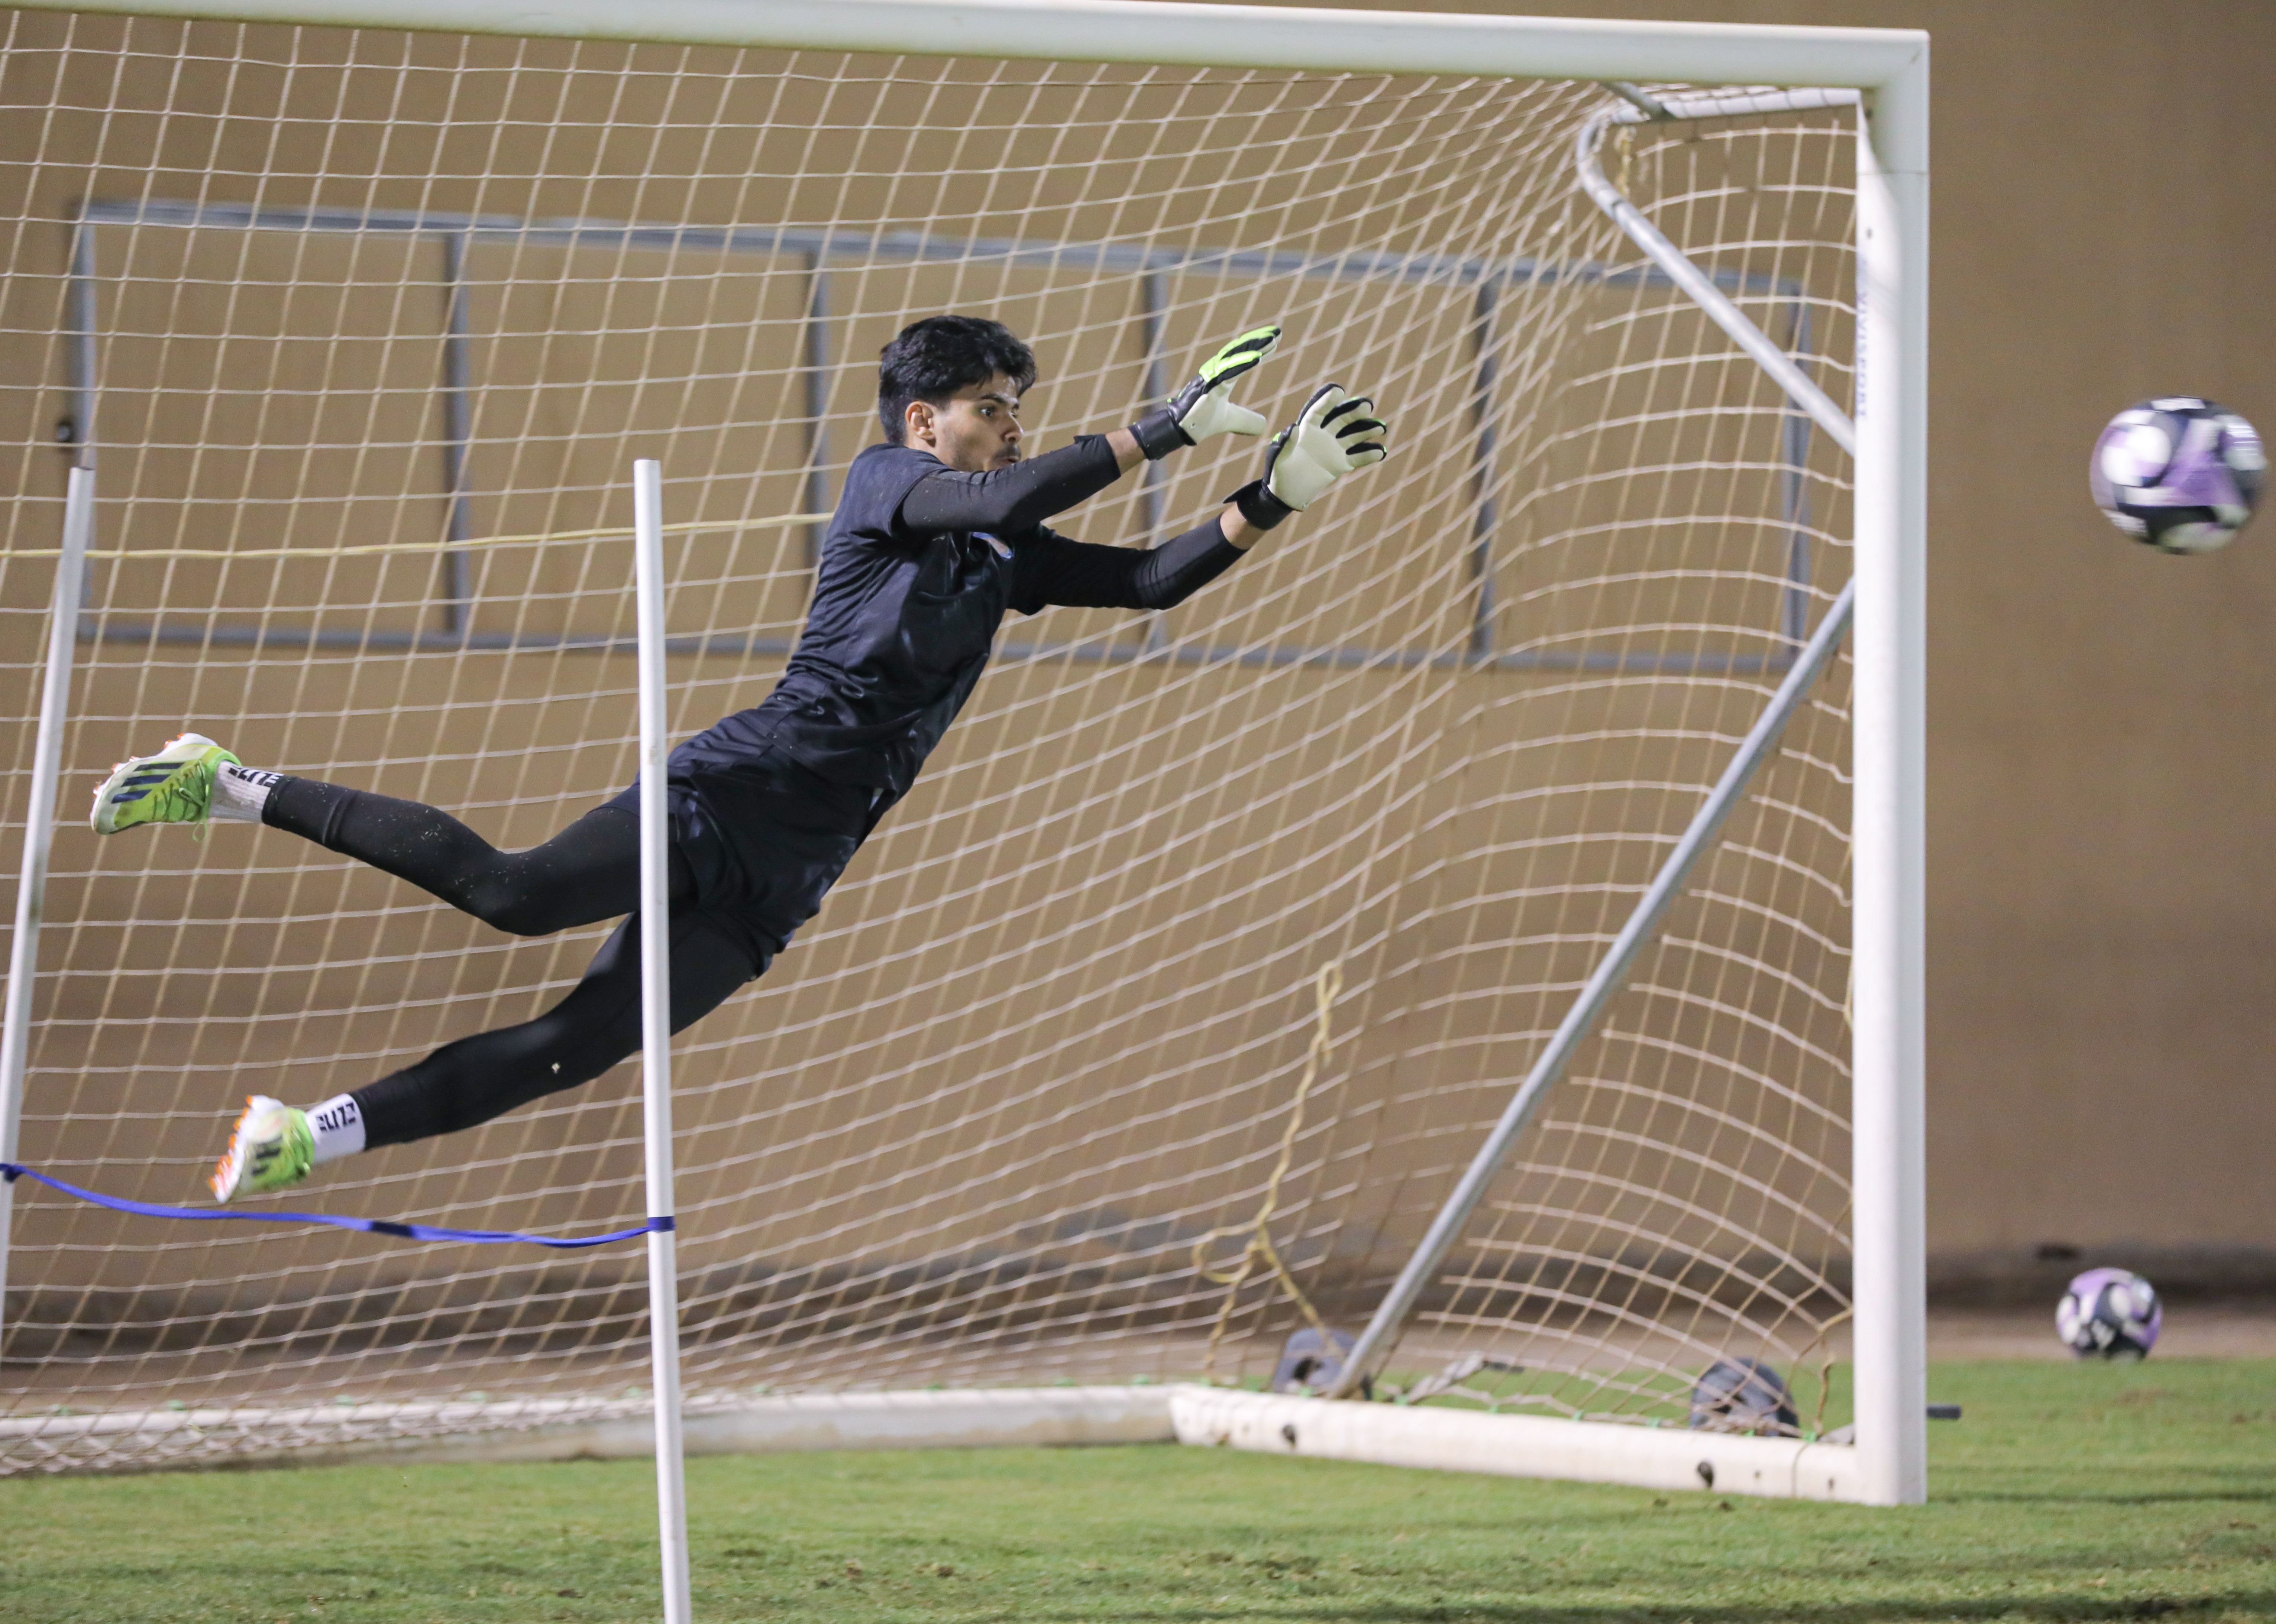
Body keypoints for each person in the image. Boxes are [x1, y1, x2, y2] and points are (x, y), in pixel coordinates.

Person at [88, 314, 1388, 1202]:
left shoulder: (999, 557)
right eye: (992, 409)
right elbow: (1005, 492)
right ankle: (229, 777)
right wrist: (1161, 428)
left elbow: (1153, 579)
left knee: (576, 1047)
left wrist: (1273, 494)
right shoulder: (887, 484)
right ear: (924, 420)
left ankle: (300, 1137)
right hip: (732, 790)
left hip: (796, 865)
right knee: (514, 895)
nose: (1007, 428)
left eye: (1015, 412)